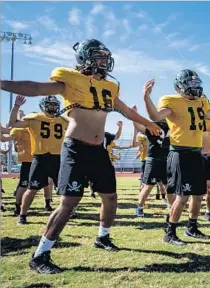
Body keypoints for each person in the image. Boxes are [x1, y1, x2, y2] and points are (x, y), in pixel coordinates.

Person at [0, 38, 160, 274]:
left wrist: (151, 125)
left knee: (111, 198)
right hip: (75, 148)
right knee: (69, 203)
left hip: (98, 151)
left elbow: (126, 111)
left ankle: (102, 237)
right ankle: (40, 254)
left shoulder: (110, 87)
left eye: (106, 57)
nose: (104, 61)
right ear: (85, 58)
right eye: (99, 56)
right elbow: (36, 88)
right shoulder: (71, 79)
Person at [143, 69, 210, 245]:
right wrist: (146, 98)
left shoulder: (202, 102)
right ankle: (170, 232)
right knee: (182, 196)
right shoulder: (171, 100)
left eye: (196, 83)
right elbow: (155, 116)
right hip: (179, 153)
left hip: (196, 153)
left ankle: (191, 227)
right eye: (191, 83)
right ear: (181, 85)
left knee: (199, 194)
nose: (195, 86)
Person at [8, 95, 68, 225]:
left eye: (53, 104)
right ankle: (22, 215)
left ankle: (68, 211)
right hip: (40, 158)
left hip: (58, 158)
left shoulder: (63, 120)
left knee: (65, 189)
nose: (52, 107)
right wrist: (16, 106)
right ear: (43, 105)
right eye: (49, 104)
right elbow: (12, 124)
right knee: (32, 188)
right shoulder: (34, 118)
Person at [132, 106, 171, 217]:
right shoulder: (154, 125)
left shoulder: (171, 125)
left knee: (168, 186)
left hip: (166, 159)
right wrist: (134, 115)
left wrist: (134, 115)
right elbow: (139, 127)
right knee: (148, 186)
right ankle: (139, 207)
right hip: (153, 160)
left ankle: (171, 206)